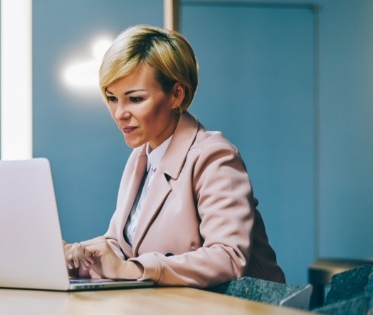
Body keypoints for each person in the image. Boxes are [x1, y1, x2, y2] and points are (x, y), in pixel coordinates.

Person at [64, 24, 285, 288]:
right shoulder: (141, 156)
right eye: (112, 98)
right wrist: (78, 257)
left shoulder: (214, 156)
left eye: (134, 99)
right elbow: (124, 245)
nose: (119, 113)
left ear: (176, 95)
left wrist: (131, 268)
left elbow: (228, 257)